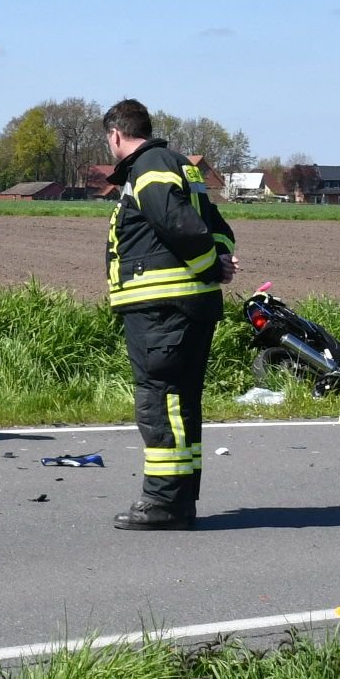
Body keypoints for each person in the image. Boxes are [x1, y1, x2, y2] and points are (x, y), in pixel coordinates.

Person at [100, 99, 235, 530]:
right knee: (181, 402)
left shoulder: (149, 166)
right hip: (186, 305)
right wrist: (218, 260)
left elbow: (175, 222)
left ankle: (164, 503)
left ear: (116, 135)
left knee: (160, 401)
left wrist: (210, 264)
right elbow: (216, 226)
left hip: (162, 308)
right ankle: (180, 499)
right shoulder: (177, 165)